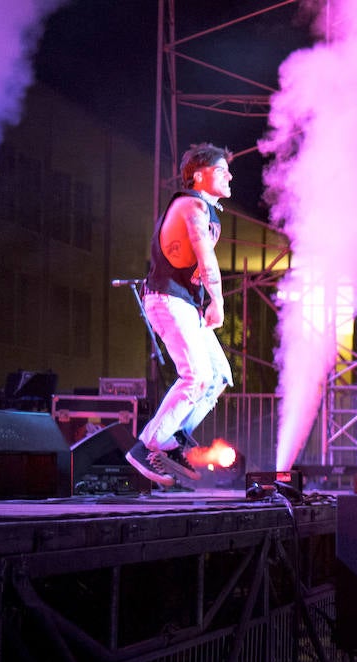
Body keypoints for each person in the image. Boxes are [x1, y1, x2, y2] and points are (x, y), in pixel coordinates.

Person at [125, 143, 234, 487]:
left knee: (218, 376)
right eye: (221, 170)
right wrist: (217, 299)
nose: (229, 176)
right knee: (196, 376)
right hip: (166, 300)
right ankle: (147, 445)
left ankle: (174, 437)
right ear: (199, 176)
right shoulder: (191, 205)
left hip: (184, 302)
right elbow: (204, 255)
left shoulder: (208, 208)